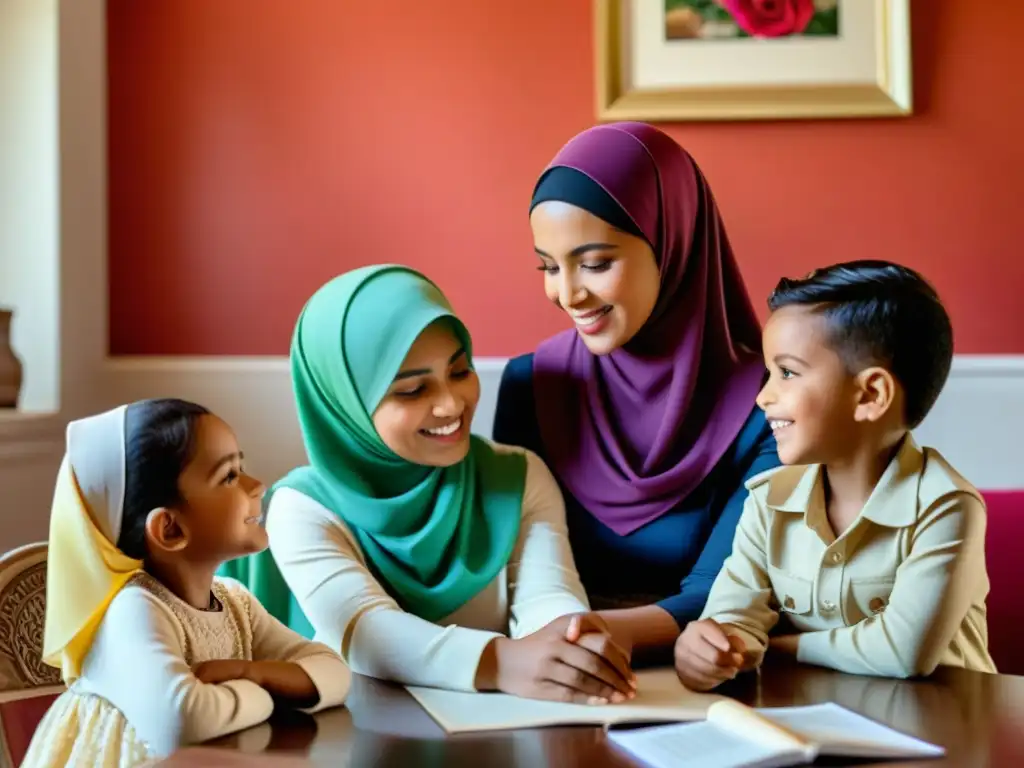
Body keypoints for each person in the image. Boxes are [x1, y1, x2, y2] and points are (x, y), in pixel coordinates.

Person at [227, 265, 636, 706]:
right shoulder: (301, 507)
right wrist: (502, 662)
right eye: (412, 390)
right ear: (346, 405)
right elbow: (366, 631)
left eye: (459, 371)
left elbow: (547, 596)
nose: (450, 404)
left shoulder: (517, 475)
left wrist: (574, 643)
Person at [493, 122, 780, 659]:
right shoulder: (530, 386)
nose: (568, 293)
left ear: (673, 243)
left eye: (596, 263)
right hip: (544, 678)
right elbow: (510, 570)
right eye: (549, 267)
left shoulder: (769, 402)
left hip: (707, 676)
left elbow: (729, 590)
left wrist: (578, 639)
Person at [674, 260, 996, 691]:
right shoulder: (768, 500)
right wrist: (710, 647)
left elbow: (902, 652)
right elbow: (733, 618)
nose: (763, 396)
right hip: (820, 726)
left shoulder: (946, 508)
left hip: (944, 739)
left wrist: (778, 645)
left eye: (787, 373)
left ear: (870, 395)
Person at [23, 399, 350, 767]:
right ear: (170, 529)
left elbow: (335, 671)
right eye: (229, 476)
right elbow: (184, 719)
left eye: (241, 467)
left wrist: (250, 670)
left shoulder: (235, 603)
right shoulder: (133, 610)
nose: (257, 485)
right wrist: (271, 688)